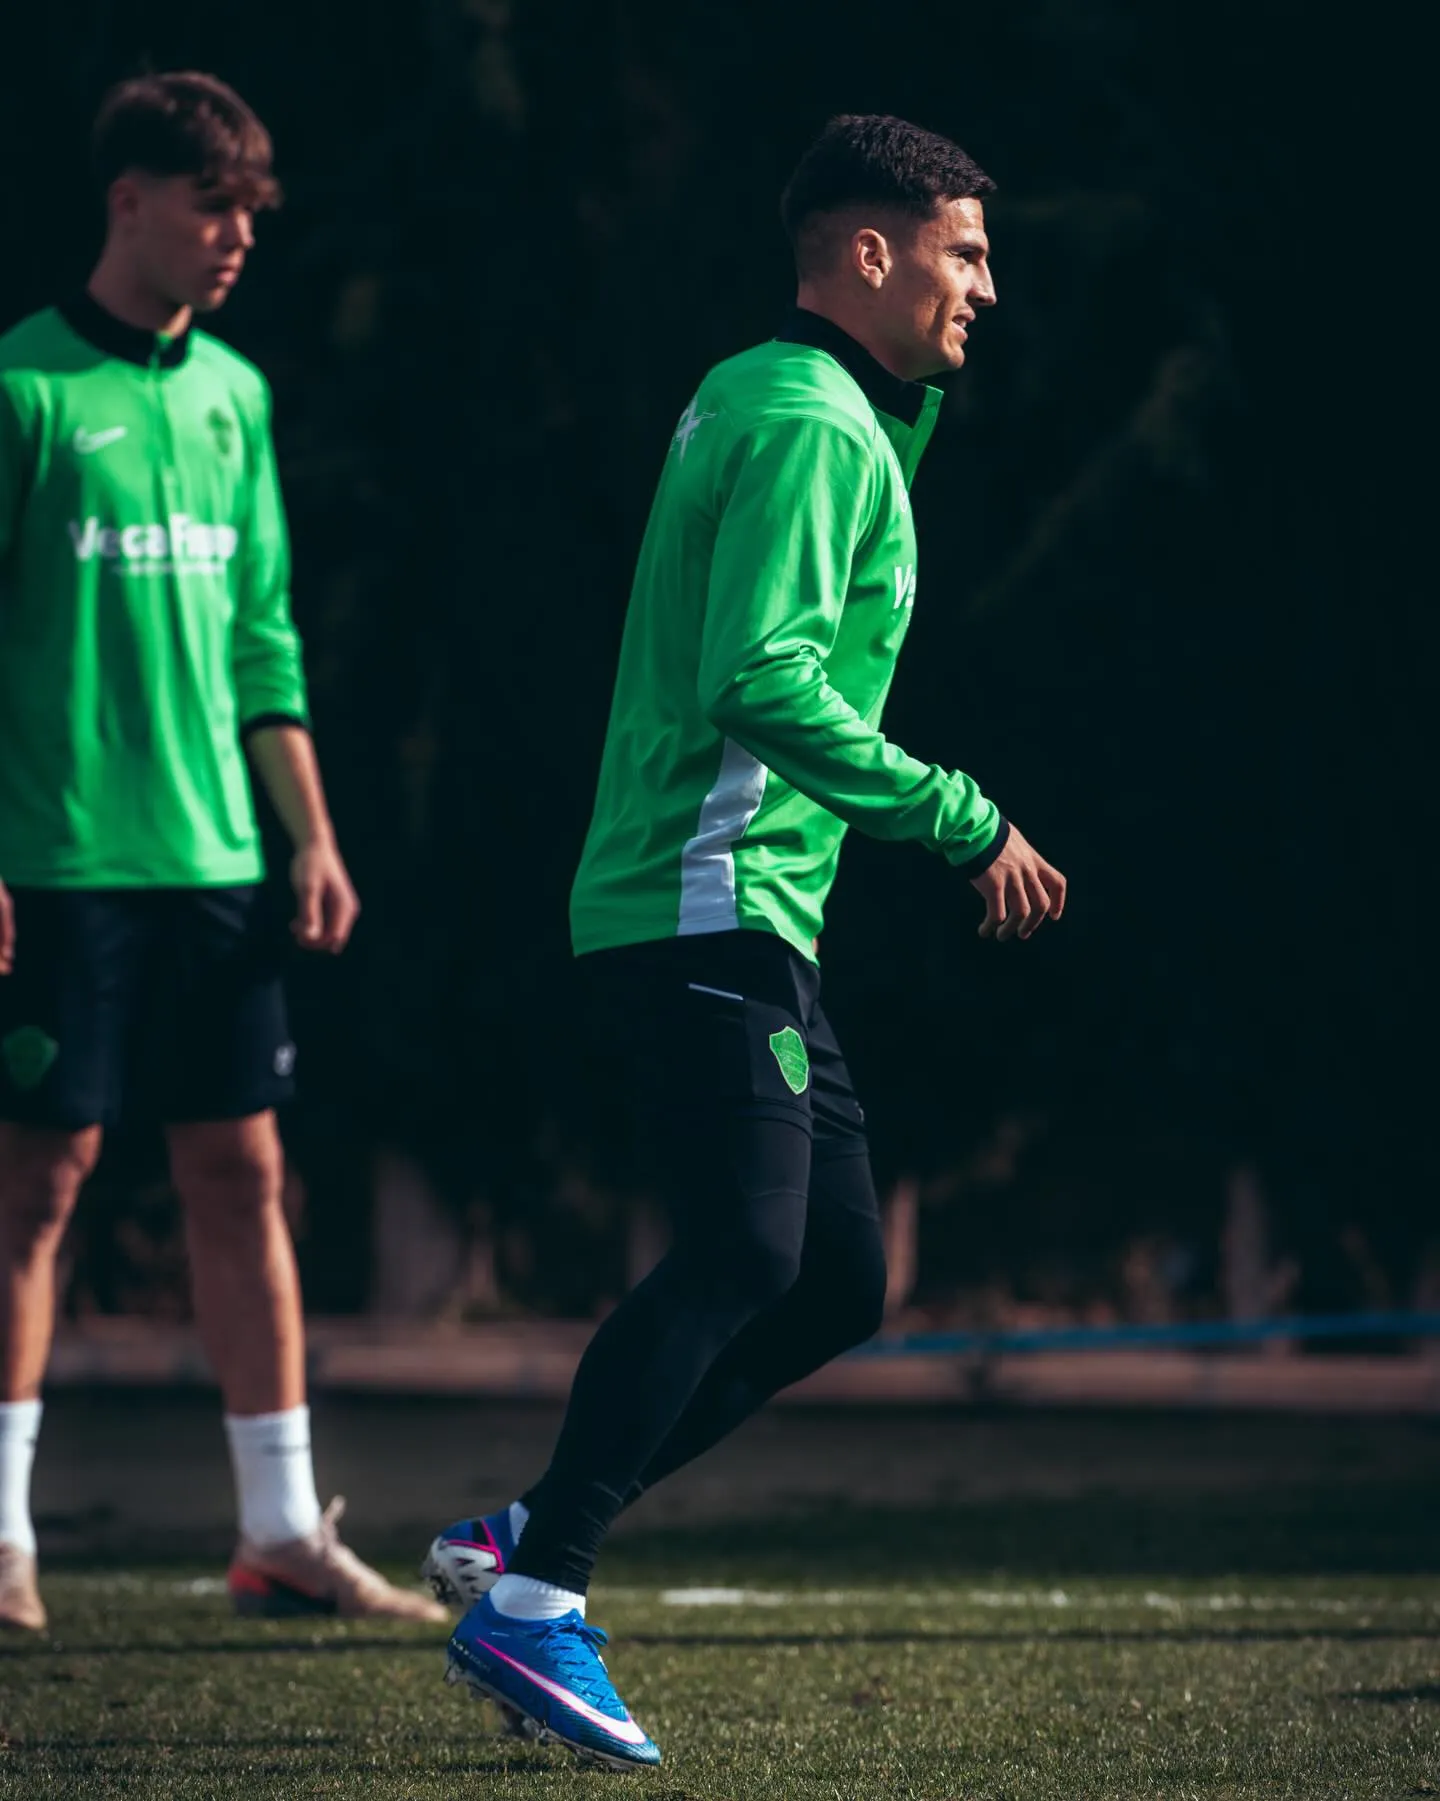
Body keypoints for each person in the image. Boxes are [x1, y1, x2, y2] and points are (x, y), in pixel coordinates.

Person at [430, 113, 1067, 1769]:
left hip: (745, 905)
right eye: (967, 251)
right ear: (872, 252)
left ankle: (526, 1532)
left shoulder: (786, 396)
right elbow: (761, 677)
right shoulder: (806, 419)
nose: (986, 286)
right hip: (704, 895)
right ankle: (536, 1599)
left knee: (837, 1274)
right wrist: (959, 814)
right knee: (746, 1255)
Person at [0, 71, 445, 1632]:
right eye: (214, 204)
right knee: (40, 1184)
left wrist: (308, 837)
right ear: (127, 198)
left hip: (216, 865)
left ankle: (277, 1534)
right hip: (57, 860)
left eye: (254, 210)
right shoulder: (23, 390)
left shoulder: (238, 398)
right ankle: (3, 1541)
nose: (238, 234)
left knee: (243, 1172)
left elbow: (264, 646)